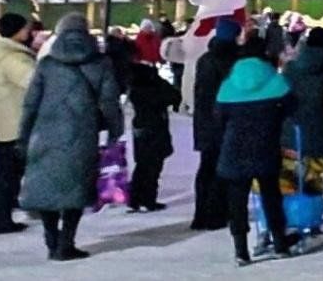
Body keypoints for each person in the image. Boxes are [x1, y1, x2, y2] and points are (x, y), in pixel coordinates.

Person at [17, 13, 123, 261]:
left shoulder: (47, 64)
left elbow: (30, 103)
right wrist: (115, 132)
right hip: (82, 134)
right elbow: (109, 103)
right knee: (76, 188)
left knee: (47, 187)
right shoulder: (101, 63)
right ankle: (67, 243)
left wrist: (23, 135)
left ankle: (51, 238)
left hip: (45, 133)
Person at [215, 53, 298, 264]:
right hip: (266, 149)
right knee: (271, 197)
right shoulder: (277, 85)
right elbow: (292, 108)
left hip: (234, 152)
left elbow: (219, 119)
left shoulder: (227, 89)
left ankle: (241, 250)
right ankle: (280, 243)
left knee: (237, 203)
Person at [0, 13, 38, 234]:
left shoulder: (1, 54)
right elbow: (34, 83)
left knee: (5, 174)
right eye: (26, 28)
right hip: (16, 121)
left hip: (4, 119)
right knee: (7, 175)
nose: (29, 33)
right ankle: (0, 219)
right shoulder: (14, 58)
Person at [188, 17, 240, 231]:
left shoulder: (205, 59)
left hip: (205, 121)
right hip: (226, 121)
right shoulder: (234, 60)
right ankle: (218, 213)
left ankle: (201, 214)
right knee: (224, 169)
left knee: (206, 169)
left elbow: (200, 93)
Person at [282, 25, 323, 206]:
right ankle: (312, 216)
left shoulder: (290, 68)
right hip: (318, 130)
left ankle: (292, 217)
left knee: (291, 179)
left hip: (291, 129)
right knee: (315, 181)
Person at [125, 44, 179, 210]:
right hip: (155, 125)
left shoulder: (134, 86)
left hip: (141, 125)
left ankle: (136, 197)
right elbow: (173, 96)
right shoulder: (153, 85)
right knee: (153, 165)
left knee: (142, 164)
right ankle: (148, 198)